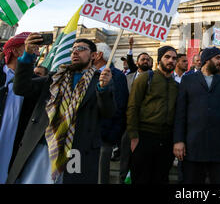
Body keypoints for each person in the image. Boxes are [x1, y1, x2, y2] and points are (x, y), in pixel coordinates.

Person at [7, 35, 115, 184]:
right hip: (43, 147)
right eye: (73, 49)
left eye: (81, 49)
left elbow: (108, 112)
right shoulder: (54, 78)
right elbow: (21, 88)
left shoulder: (101, 81)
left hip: (76, 151)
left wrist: (103, 90)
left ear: (94, 55)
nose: (75, 52)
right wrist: (27, 56)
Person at [173, 47, 220, 184]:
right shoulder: (188, 80)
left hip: (219, 147)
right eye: (218, 58)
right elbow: (180, 113)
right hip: (193, 146)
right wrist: (178, 140)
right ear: (207, 60)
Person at [127, 46, 178, 184]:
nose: (171, 61)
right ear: (159, 59)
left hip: (166, 140)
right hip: (145, 137)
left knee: (161, 178)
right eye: (167, 57)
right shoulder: (145, 78)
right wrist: (133, 136)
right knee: (142, 178)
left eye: (174, 58)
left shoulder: (176, 85)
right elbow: (132, 106)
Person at [93, 42, 129, 184]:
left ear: (99, 55)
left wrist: (111, 136)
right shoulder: (88, 73)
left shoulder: (117, 75)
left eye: (92, 52)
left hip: (104, 137)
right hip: (86, 135)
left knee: (100, 177)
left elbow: (120, 106)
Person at [0, 32, 31, 183]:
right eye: (29, 47)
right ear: (14, 51)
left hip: (15, 140)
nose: (35, 52)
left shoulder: (34, 82)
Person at [120, 51, 153, 183]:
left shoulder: (156, 79)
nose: (145, 61)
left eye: (148, 59)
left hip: (147, 125)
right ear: (137, 62)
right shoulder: (127, 78)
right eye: (143, 59)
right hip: (127, 124)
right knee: (125, 159)